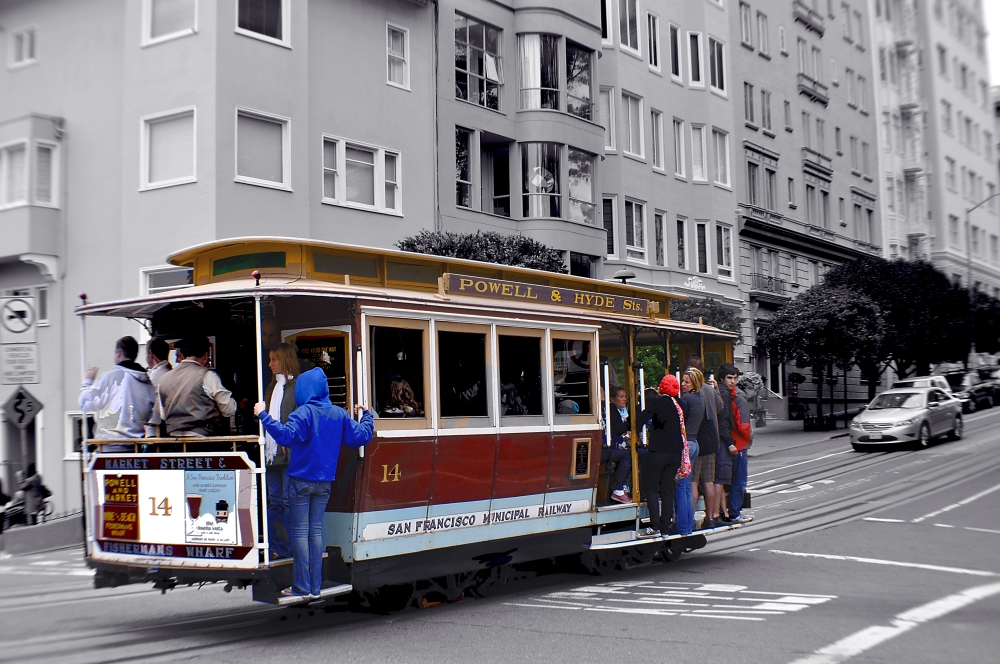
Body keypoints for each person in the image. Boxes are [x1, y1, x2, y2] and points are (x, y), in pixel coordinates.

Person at [254, 368, 374, 600]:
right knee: (315, 533)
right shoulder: (338, 414)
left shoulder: (303, 413)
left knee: (300, 534)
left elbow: (286, 437)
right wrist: (366, 415)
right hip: (324, 483)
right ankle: (315, 587)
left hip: (300, 481)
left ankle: (301, 587)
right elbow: (361, 436)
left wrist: (264, 415)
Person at [80, 336, 155, 452]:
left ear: (119, 353)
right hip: (135, 448)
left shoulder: (111, 377)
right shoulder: (148, 383)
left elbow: (85, 403)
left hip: (110, 447)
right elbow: (149, 413)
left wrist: (87, 381)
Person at [153, 336, 237, 437]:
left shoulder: (164, 378)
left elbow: (162, 414)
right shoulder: (206, 375)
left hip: (174, 438)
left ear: (183, 353)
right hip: (204, 438)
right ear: (205, 355)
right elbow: (229, 409)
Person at [263, 343, 301, 559]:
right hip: (272, 452)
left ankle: (288, 547)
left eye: (273, 359)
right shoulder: (271, 388)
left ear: (284, 360)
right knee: (275, 500)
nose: (269, 364)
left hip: (290, 452)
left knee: (287, 500)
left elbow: (300, 416)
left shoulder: (297, 387)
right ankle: (277, 546)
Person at [635, 375, 686, 538]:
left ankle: (655, 527)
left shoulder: (657, 402)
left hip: (658, 452)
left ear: (661, 387)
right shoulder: (681, 404)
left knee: (651, 488)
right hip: (675, 453)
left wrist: (634, 432)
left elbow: (641, 419)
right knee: (667, 489)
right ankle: (665, 527)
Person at [718, 363, 753, 524]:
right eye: (730, 378)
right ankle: (735, 512)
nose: (733, 381)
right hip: (737, 444)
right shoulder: (739, 398)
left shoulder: (721, 393)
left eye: (735, 378)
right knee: (739, 479)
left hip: (725, 443)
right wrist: (748, 439)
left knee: (725, 479)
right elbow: (743, 425)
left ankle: (725, 510)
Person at [676, 370, 705, 535]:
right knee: (687, 486)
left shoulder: (687, 399)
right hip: (694, 444)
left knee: (681, 486)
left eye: (687, 382)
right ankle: (687, 524)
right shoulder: (700, 398)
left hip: (685, 444)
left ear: (694, 383)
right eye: (682, 381)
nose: (683, 384)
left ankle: (682, 526)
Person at [607, 386, 634, 504]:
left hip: (617, 442)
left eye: (625, 397)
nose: (624, 399)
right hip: (611, 445)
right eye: (621, 397)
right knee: (630, 454)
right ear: (612, 399)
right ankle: (620, 487)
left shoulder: (622, 411)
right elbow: (619, 428)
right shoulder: (611, 410)